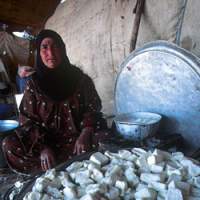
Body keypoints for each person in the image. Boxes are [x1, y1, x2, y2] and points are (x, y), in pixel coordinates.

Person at [2, 29, 109, 174]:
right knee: (9, 145)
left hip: (77, 141)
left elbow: (93, 110)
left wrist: (85, 133)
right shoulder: (33, 85)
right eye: (44, 48)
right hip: (47, 144)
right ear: (38, 53)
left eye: (55, 47)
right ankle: (71, 165)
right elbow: (27, 120)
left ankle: (57, 168)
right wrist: (43, 148)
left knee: (104, 137)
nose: (51, 53)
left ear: (63, 50)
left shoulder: (81, 80)